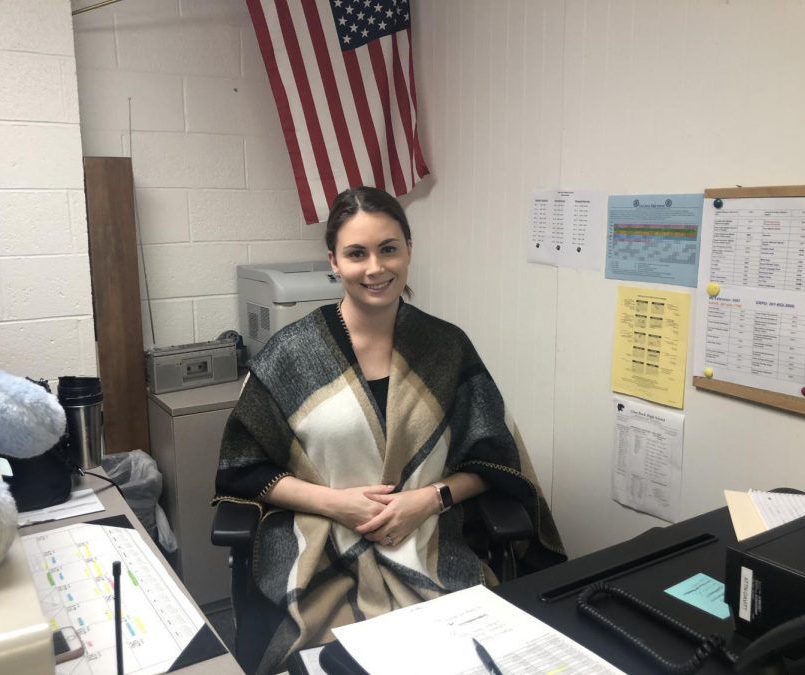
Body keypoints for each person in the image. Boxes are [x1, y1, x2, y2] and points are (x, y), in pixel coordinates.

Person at [214, 186, 564, 675]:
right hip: (318, 547)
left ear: (409, 251)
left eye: (389, 249)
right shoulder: (289, 355)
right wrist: (338, 503)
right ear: (333, 261)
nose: (375, 268)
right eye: (357, 253)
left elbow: (494, 459)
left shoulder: (446, 347)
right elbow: (245, 470)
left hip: (429, 539)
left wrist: (429, 499)